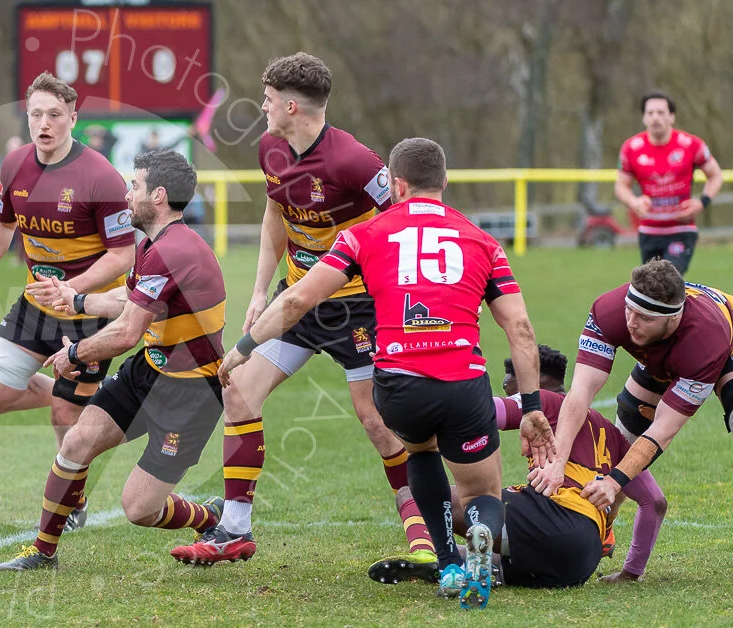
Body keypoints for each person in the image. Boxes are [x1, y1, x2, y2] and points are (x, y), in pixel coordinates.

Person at [219, 137, 551, 610]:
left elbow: (295, 300)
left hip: (398, 384)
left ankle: (449, 564)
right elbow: (518, 326)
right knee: (482, 488)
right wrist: (533, 406)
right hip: (462, 381)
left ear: (396, 185)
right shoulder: (483, 240)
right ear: (445, 183)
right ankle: (479, 537)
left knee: (420, 454)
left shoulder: (363, 235)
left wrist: (245, 346)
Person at [171, 53, 434, 570]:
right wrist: (259, 290)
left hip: (358, 308)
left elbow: (407, 222)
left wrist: (402, 294)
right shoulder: (270, 146)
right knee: (240, 390)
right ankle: (235, 532)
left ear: (292, 105)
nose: (261, 106)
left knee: (375, 420)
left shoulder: (355, 161)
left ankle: (423, 529)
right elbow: (276, 211)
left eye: (267, 99)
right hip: (296, 302)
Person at [0, 150, 225, 571]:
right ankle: (43, 552)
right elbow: (128, 298)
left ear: (157, 196)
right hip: (150, 370)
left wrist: (73, 354)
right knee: (78, 441)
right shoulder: (154, 244)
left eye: (133, 186)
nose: (126, 193)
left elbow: (127, 331)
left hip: (190, 391)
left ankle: (211, 517)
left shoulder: (175, 250)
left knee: (139, 509)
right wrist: (76, 298)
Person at [535, 260, 733, 542]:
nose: (631, 322)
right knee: (620, 446)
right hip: (663, 353)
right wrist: (558, 460)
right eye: (630, 310)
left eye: (644, 317)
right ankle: (602, 531)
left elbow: (663, 430)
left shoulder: (704, 340)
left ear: (672, 317)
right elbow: (580, 393)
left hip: (732, 346)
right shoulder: (609, 311)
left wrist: (613, 482)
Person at [0, 72, 135, 531]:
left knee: (65, 414)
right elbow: (2, 222)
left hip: (88, 313)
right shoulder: (14, 165)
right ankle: (88, 400)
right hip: (35, 304)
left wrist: (75, 290)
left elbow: (123, 254)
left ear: (73, 119)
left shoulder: (100, 176)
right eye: (36, 114)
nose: (44, 123)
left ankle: (72, 496)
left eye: (55, 115)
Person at [369, 345, 669, 586]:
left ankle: (435, 557)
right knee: (504, 554)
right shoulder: (612, 434)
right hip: (581, 562)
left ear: (533, 382)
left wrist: (413, 382)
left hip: (551, 519)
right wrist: (631, 572)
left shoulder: (546, 402)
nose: (509, 390)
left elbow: (478, 412)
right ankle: (458, 564)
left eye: (511, 385)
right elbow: (654, 502)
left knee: (412, 494)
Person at [615, 92, 723, 274]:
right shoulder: (631, 148)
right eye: (650, 113)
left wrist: (702, 202)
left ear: (672, 116)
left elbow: (715, 175)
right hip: (649, 231)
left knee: (669, 279)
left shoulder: (691, 145)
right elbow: (620, 186)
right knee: (651, 287)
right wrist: (634, 202)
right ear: (643, 117)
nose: (655, 118)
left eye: (661, 112)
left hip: (681, 229)